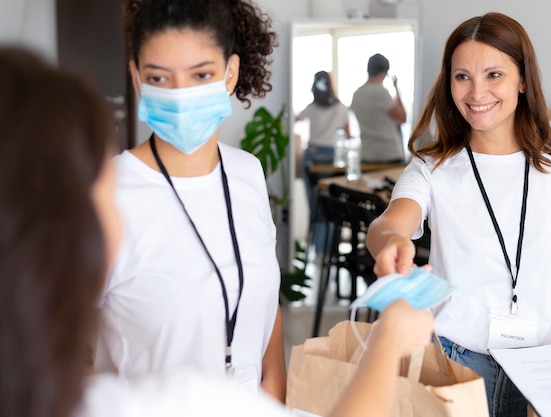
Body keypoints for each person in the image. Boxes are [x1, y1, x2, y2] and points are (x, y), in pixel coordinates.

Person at [0, 46, 436, 417]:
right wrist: (389, 341)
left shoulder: (73, 398)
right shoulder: (143, 402)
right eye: (104, 177)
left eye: (199, 73)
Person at [366, 12, 551, 417]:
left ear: (523, 79)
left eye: (493, 74)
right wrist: (392, 241)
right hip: (456, 365)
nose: (476, 91)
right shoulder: (433, 167)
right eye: (462, 77)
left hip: (545, 369)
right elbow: (390, 222)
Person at [92, 0, 286, 401]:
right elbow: (49, 341)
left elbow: (264, 301)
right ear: (136, 78)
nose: (181, 95)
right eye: (159, 78)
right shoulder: (108, 194)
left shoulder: (247, 172)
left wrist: (273, 394)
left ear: (230, 73)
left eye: (201, 74)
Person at [296, 71, 351, 217]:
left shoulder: (311, 108)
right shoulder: (341, 108)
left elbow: (296, 120)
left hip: (313, 155)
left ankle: (314, 238)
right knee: (330, 206)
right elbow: (348, 135)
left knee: (314, 204)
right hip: (333, 158)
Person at [350, 53, 406, 163]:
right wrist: (396, 89)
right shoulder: (381, 92)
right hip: (388, 153)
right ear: (385, 72)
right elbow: (402, 118)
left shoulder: (356, 94)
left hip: (366, 154)